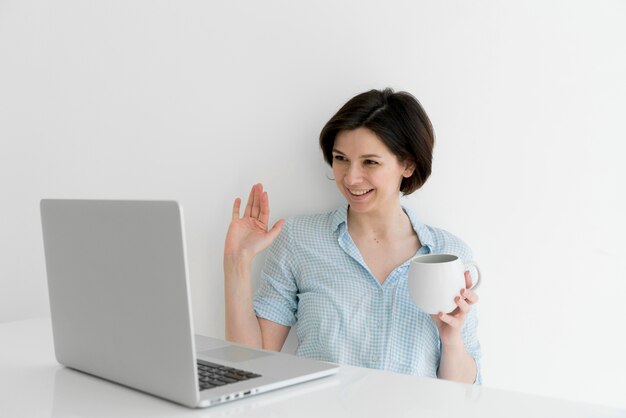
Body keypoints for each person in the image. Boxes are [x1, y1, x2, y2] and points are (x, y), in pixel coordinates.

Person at [223, 88, 482, 384]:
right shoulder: (297, 240)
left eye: (370, 162)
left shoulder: (449, 254)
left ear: (408, 165)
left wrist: (451, 339)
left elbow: (465, 392)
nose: (350, 177)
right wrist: (237, 263)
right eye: (341, 158)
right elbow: (249, 368)